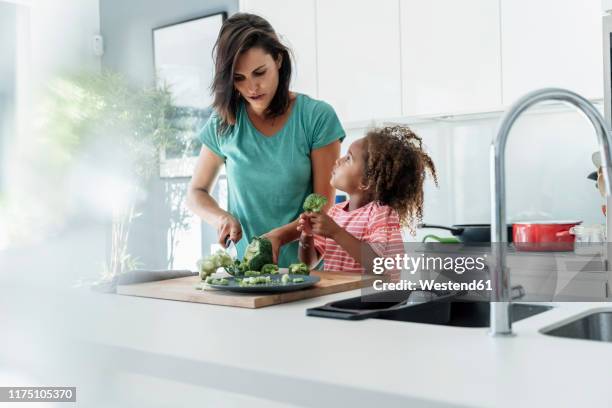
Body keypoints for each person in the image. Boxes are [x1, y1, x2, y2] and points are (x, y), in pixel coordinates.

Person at [188, 13, 344, 267]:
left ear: (278, 60)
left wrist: (279, 238)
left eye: (259, 72)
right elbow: (196, 192)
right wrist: (221, 219)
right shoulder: (223, 123)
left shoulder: (316, 117)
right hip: (248, 275)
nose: (252, 87)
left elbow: (322, 208)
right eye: (239, 78)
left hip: (312, 273)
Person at [297, 126, 438, 274]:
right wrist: (307, 236)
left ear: (366, 182)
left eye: (348, 158)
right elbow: (308, 263)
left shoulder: (382, 215)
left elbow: (379, 265)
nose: (338, 161)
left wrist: (335, 232)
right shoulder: (335, 213)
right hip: (340, 295)